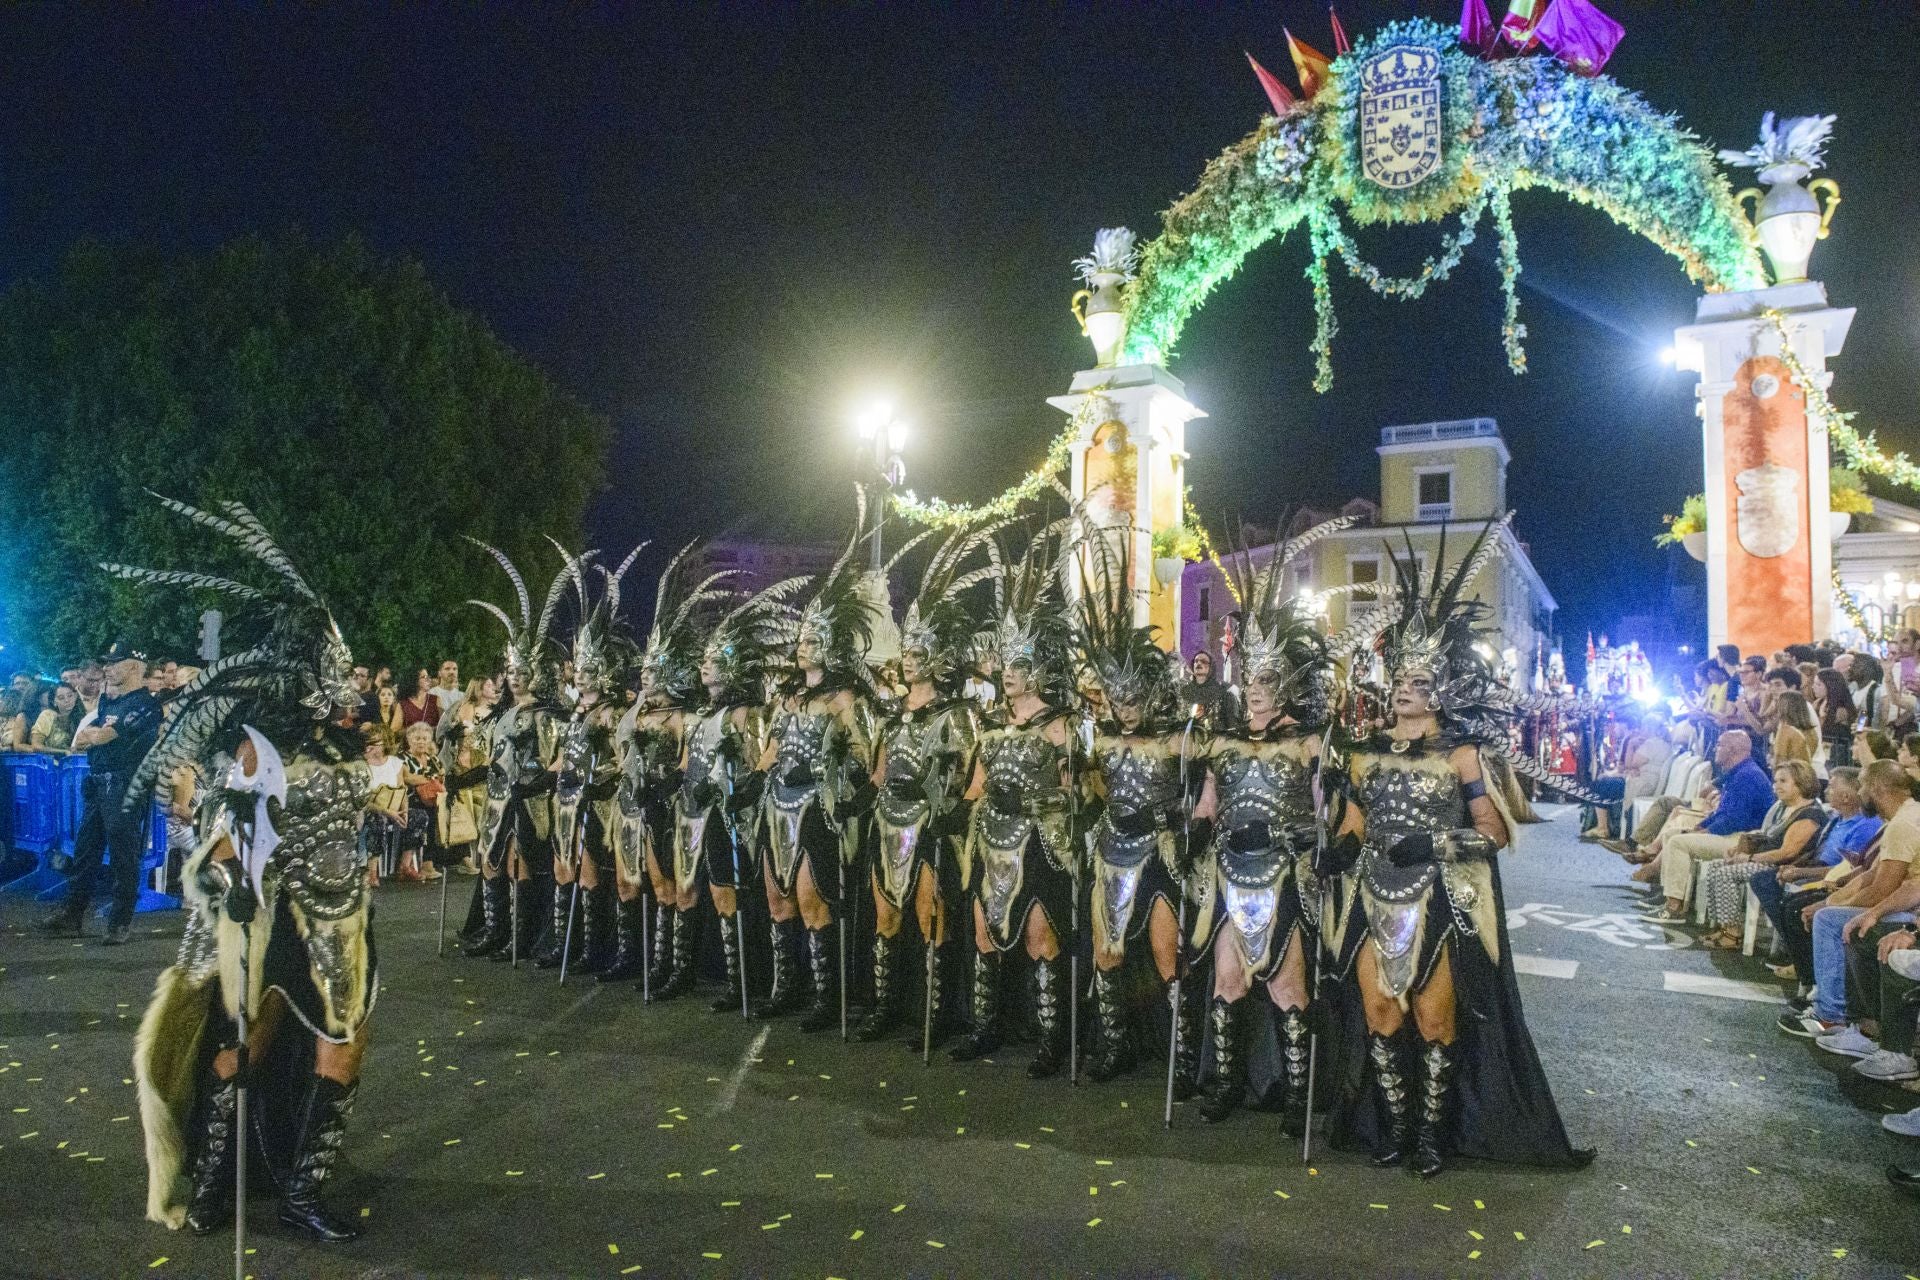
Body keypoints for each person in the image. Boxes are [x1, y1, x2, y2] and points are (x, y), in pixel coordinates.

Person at [120, 494, 374, 1242]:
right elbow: (219, 842)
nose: (346, 686)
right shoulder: (254, 755)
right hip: (268, 928)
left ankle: (300, 1191)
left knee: (341, 1048)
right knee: (244, 1050)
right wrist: (230, 887)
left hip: (337, 923)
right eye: (332, 674)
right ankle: (215, 1186)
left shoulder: (333, 751)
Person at [1328, 520, 1592, 1179]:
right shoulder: (1364, 754)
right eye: (1399, 677)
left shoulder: (1463, 754)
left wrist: (1436, 841)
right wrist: (1333, 848)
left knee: (1432, 1017)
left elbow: (1496, 834)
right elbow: (1354, 824)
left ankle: (1431, 1135)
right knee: (1380, 1011)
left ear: (1440, 685)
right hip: (1372, 893)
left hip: (1439, 897)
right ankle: (1391, 1124)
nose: (1404, 687)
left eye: (1418, 679)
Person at [1183, 520, 1345, 1126]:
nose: (1256, 692)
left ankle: (1299, 1095)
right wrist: (1198, 831)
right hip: (1231, 873)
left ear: (1285, 687)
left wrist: (1312, 837)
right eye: (1251, 680)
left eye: (1267, 682)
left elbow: (1327, 816)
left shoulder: (1308, 744)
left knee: (1287, 986)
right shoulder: (1222, 745)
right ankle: (1225, 1086)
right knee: (1227, 979)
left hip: (1286, 876)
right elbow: (1207, 804)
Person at [952, 518, 1080, 1077]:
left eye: (1018, 666)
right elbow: (975, 782)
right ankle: (986, 1027)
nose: (1008, 674)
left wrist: (1048, 803)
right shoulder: (990, 723)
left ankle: (1052, 1039)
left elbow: (1079, 794)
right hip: (992, 841)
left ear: (1037, 670)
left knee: (1039, 937)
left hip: (1038, 842)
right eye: (1005, 665)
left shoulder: (1061, 725)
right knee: (984, 931)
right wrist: (958, 808)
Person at [1075, 538, 1201, 1088]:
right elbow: (1097, 790)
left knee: (1164, 952)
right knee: (1107, 951)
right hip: (1110, 849)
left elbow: (1199, 793)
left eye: (1133, 701)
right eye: (1117, 701)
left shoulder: (1178, 741)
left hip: (1158, 850)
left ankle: (1187, 1054)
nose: (1125, 710)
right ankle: (1113, 1044)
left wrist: (1188, 826)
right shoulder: (1100, 740)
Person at [752, 502, 879, 1030]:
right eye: (800, 639)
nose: (803, 647)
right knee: (777, 899)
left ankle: (828, 996)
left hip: (817, 810)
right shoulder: (786, 698)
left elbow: (867, 758)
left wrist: (855, 792)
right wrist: (753, 779)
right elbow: (773, 749)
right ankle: (787, 987)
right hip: (775, 804)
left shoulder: (844, 699)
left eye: (812, 640)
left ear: (830, 645)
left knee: (810, 900)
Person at [859, 528, 984, 1046]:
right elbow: (879, 773)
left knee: (930, 916)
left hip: (932, 825)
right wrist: (857, 786)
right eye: (906, 650)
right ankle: (887, 1008)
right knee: (886, 914)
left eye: (918, 651)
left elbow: (966, 776)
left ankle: (937, 1015)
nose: (908, 658)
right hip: (889, 819)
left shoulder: (957, 715)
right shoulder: (891, 715)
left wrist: (948, 809)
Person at [608, 543, 729, 991]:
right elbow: (625, 757)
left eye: (653, 668)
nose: (645, 673)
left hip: (676, 812)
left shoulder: (683, 716)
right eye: (643, 667)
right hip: (642, 808)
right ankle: (656, 964)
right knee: (657, 888)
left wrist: (667, 785)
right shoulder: (638, 714)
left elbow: (686, 766)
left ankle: (680, 969)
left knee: (682, 889)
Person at [680, 581, 789, 1011]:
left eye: (714, 660)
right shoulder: (701, 714)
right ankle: (733, 980)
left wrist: (739, 789)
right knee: (720, 893)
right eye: (703, 661)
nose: (705, 667)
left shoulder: (747, 711)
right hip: (703, 814)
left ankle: (758, 979)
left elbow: (760, 760)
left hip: (738, 818)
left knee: (748, 896)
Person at [461, 544, 565, 962]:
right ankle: (493, 929)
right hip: (498, 797)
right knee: (490, 861)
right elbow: (489, 755)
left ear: (535, 674)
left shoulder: (544, 714)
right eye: (512, 672)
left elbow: (555, 757)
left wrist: (538, 781)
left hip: (529, 800)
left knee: (516, 866)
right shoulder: (500, 714)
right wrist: (466, 776)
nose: (517, 679)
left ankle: (518, 938)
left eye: (524, 672)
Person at [541, 546, 634, 973]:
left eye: (587, 666)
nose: (579, 672)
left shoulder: (613, 713)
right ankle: (569, 945)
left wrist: (603, 779)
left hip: (602, 805)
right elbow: (564, 758)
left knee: (600, 875)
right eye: (577, 666)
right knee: (574, 872)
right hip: (571, 802)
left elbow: (623, 759)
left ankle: (604, 951)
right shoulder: (577, 713)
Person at [1780, 760, 1920, 1039]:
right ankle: (1830, 1002)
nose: (1861, 792)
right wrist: (1831, 901)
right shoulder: (1903, 817)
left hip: (1909, 912)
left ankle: (1831, 1015)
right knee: (1827, 912)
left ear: (1877, 788)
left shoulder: (1904, 823)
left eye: (1864, 786)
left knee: (1831, 921)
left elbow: (1883, 889)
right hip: (1906, 905)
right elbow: (1872, 875)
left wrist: (1834, 908)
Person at [38, 641, 163, 943]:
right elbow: (86, 736)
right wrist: (95, 736)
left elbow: (102, 735)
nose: (107, 667)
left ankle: (120, 922)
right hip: (99, 782)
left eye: (114, 662)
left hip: (125, 784)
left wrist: (96, 736)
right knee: (85, 851)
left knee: (124, 854)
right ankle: (73, 915)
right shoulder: (112, 702)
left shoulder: (145, 704)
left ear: (134, 665)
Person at [1643, 730, 1775, 925]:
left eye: (1720, 744)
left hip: (1739, 840)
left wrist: (1703, 831)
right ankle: (1667, 894)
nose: (1715, 748)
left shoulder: (1747, 776)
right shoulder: (1738, 772)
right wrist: (1701, 826)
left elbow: (1734, 820)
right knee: (1671, 834)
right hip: (1732, 833)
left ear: (1733, 749)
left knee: (1679, 843)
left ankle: (1674, 908)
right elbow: (1722, 813)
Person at [1696, 760, 1823, 949]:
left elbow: (1787, 852)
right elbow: (1768, 837)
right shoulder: (1784, 809)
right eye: (1776, 781)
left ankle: (1733, 933)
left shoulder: (1810, 814)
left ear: (1801, 783)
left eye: (1783, 781)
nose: (1776, 786)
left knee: (1726, 873)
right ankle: (1724, 927)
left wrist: (1748, 858)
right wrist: (1741, 848)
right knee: (1717, 866)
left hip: (1780, 867)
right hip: (1765, 859)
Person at [1179, 649, 1241, 731]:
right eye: (1196, 661)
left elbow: (1232, 726)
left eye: (1203, 661)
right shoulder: (1184, 692)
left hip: (1216, 740)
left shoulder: (1224, 693)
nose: (1198, 663)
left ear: (1211, 667)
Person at [26, 681, 81, 752]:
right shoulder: (47, 715)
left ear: (75, 696)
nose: (67, 700)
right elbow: (36, 746)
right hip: (49, 761)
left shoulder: (81, 714)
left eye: (70, 696)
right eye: (61, 698)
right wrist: (62, 752)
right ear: (54, 702)